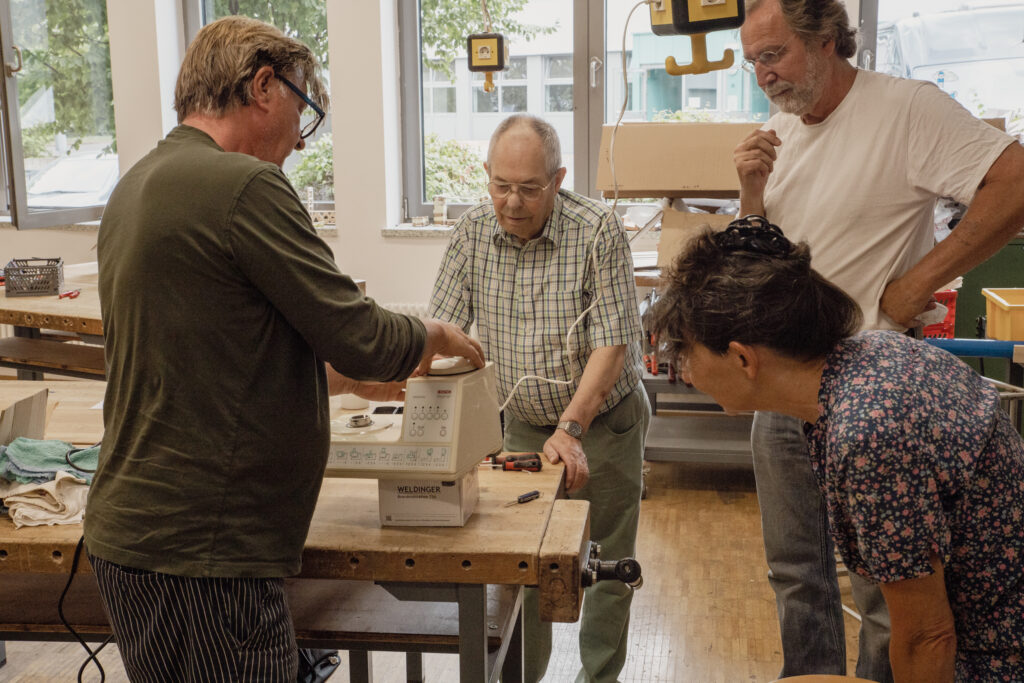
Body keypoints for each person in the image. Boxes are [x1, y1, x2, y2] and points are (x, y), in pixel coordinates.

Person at [84, 16, 483, 682]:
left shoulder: (136, 186)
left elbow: (214, 362)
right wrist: (434, 334)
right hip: (206, 550)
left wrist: (341, 382)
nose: (301, 141)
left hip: (136, 536)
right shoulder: (243, 186)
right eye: (306, 111)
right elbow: (364, 334)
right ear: (263, 85)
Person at [731, 0, 1024, 678]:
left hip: (874, 403)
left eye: (772, 55)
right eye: (753, 62)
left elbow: (1014, 181)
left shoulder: (906, 109)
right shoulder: (780, 131)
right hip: (784, 391)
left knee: (885, 589)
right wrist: (750, 198)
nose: (762, 76)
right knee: (797, 575)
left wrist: (924, 278)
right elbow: (762, 272)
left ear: (827, 40)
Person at [650, 216, 1024, 682]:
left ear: (744, 358)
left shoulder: (867, 434)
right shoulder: (872, 354)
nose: (682, 369)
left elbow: (928, 637)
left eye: (685, 351)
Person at [430, 113, 650, 683]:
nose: (513, 201)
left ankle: (599, 677)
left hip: (604, 422)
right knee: (523, 569)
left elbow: (612, 345)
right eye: (501, 185)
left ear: (557, 179)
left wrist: (572, 428)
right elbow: (443, 333)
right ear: (486, 175)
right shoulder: (473, 230)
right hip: (523, 425)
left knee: (601, 564)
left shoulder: (597, 229)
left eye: (529, 188)